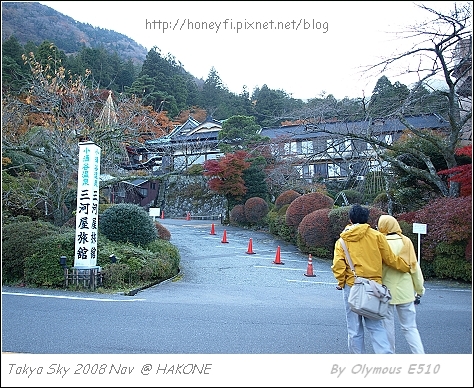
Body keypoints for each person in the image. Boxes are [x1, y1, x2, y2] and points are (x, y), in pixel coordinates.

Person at [332, 204, 412, 354]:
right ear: (367, 219)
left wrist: (341, 281)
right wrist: (407, 267)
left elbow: (338, 265)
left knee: (354, 328)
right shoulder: (377, 236)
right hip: (374, 287)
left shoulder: (343, 240)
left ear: (350, 219)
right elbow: (390, 259)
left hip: (353, 285)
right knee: (376, 326)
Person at [377, 214, 425, 354]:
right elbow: (414, 268)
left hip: (385, 292)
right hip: (406, 292)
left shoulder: (380, 242)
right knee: (410, 328)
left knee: (387, 328)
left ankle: (390, 357)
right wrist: (419, 289)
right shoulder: (407, 242)